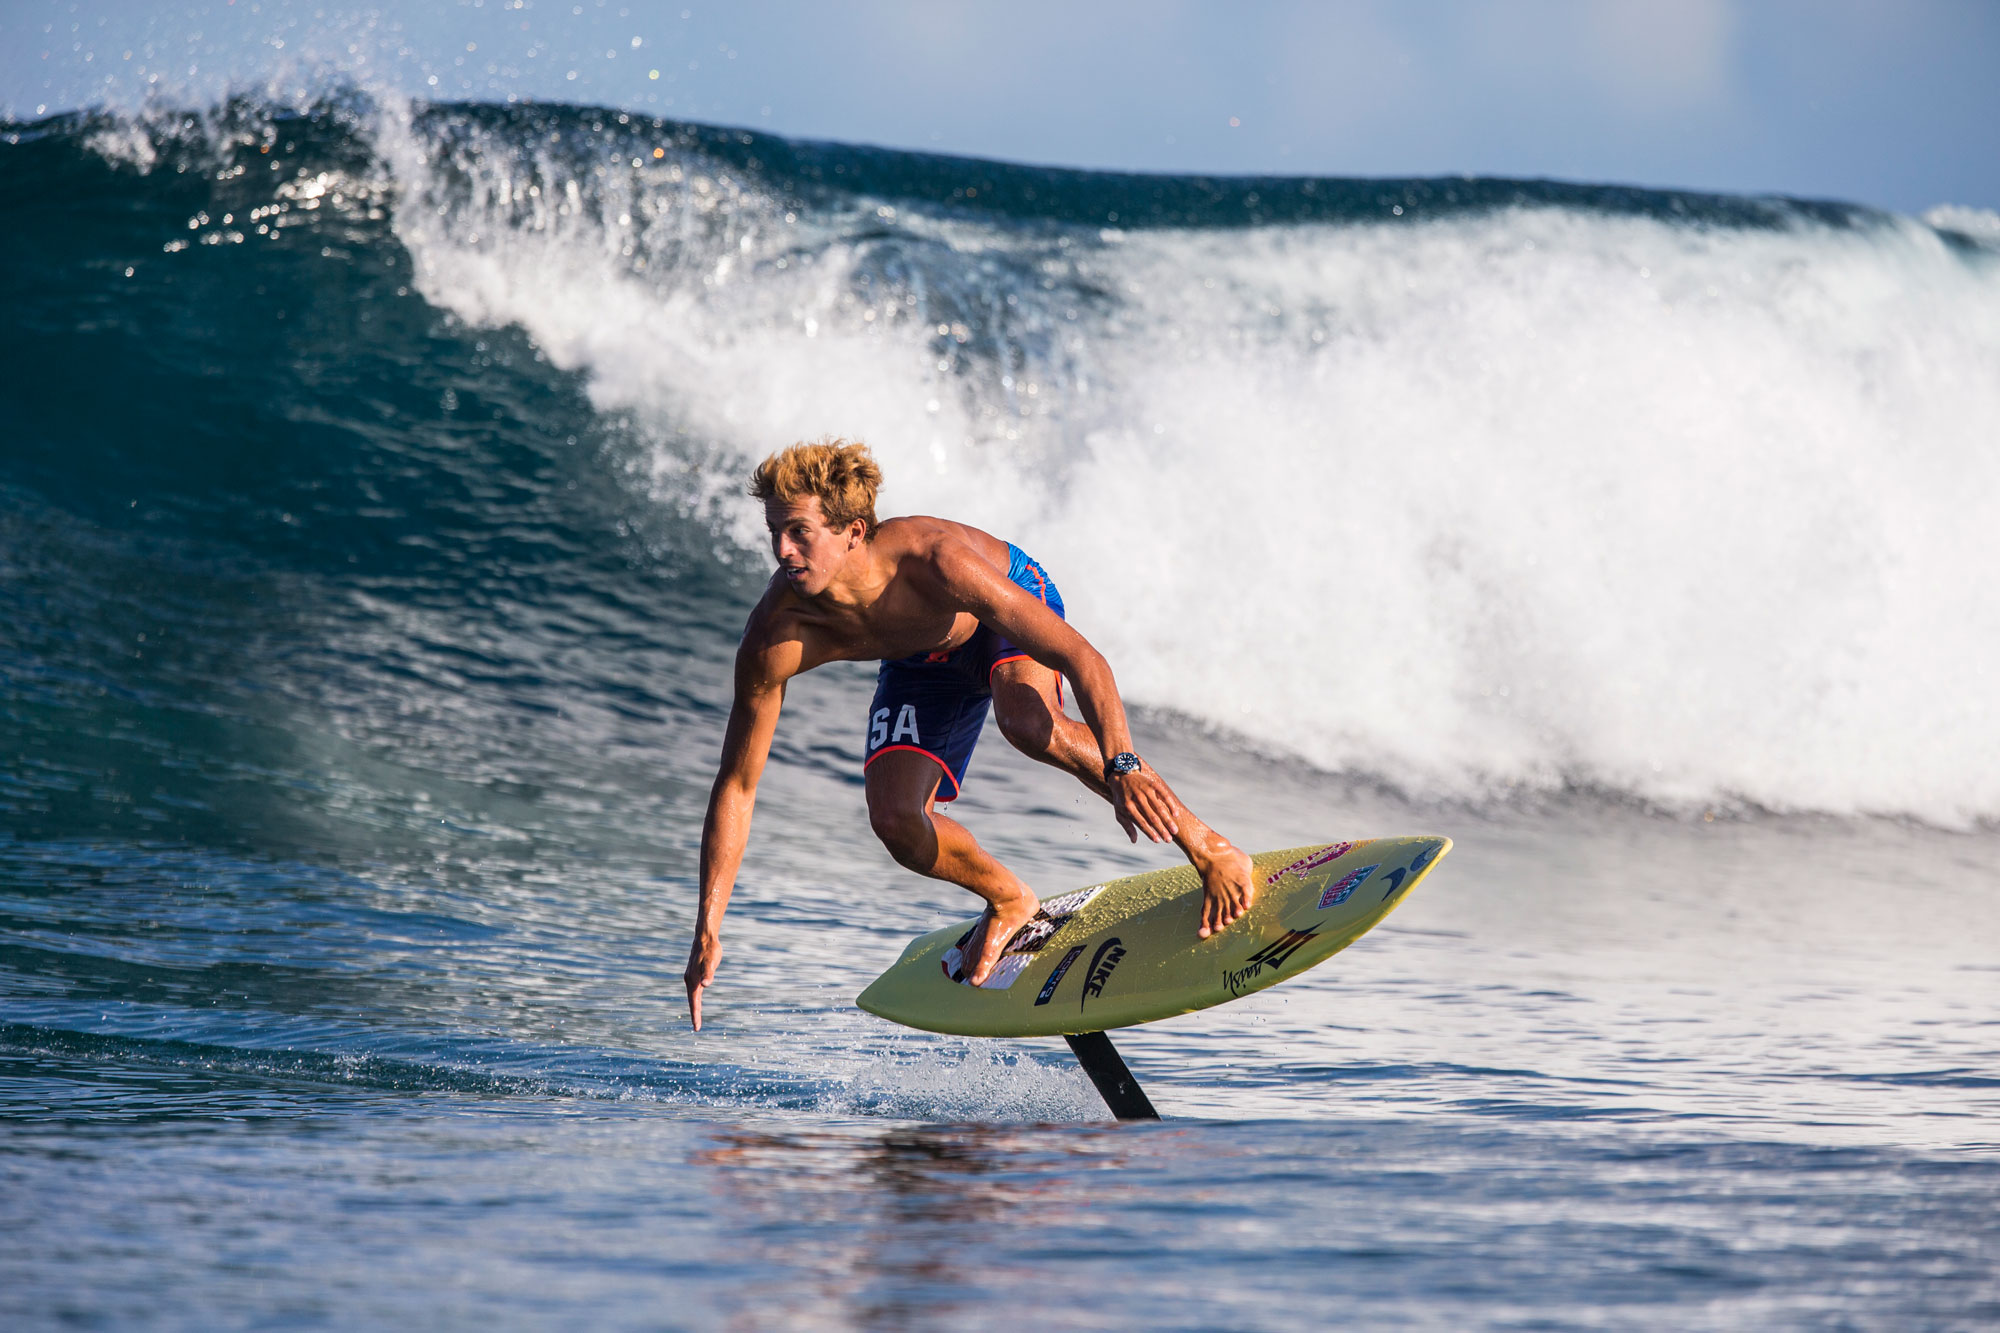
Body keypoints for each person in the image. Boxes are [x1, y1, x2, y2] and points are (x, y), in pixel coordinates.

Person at [683, 438, 1256, 1030]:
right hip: (918, 660)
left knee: (1028, 723)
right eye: (775, 531)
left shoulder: (934, 561)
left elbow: (1084, 659)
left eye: (800, 532)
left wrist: (1124, 763)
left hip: (999, 605)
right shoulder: (776, 634)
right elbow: (738, 784)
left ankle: (1211, 847)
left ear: (854, 530)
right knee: (896, 822)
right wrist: (708, 926)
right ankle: (1010, 897)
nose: (782, 550)